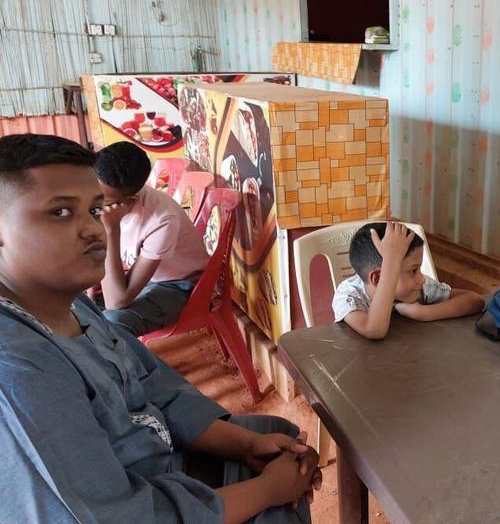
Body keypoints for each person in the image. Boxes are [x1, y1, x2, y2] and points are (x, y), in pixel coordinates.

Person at [0, 134, 320, 523]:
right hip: (138, 500)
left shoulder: (71, 304)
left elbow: (153, 383)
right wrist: (268, 491)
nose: (93, 230)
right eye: (61, 213)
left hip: (152, 456)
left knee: (279, 441)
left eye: (96, 210)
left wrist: (245, 444)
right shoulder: (19, 369)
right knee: (278, 504)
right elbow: (119, 516)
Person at [94, 141, 210, 336]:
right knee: (69, 297)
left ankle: (130, 367)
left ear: (130, 201)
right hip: (142, 276)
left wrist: (111, 230)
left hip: (179, 287)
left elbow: (117, 301)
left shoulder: (161, 220)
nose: (92, 205)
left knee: (113, 324)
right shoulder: (108, 199)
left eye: (101, 203)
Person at [332, 221, 485, 339]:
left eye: (419, 269)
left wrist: (424, 313)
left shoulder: (418, 287)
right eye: (413, 271)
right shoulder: (349, 296)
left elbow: (475, 300)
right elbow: (374, 329)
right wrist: (391, 262)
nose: (422, 279)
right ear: (378, 278)